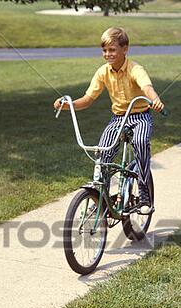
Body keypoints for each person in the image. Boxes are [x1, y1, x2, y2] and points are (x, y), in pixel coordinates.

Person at [53, 27, 164, 214]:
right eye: (104, 50)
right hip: (119, 118)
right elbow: (87, 100)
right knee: (102, 153)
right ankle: (99, 195)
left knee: (140, 142)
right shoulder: (103, 72)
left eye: (112, 50)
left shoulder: (135, 69)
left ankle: (144, 194)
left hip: (140, 116)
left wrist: (155, 100)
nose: (107, 54)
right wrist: (67, 104)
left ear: (125, 49)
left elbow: (147, 88)